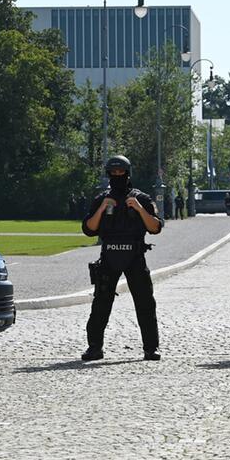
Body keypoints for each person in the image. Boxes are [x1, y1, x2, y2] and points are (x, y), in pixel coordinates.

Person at [81, 155, 163, 362]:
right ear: (108, 174)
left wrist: (138, 208)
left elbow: (155, 227)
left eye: (121, 172)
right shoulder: (101, 199)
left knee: (145, 303)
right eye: (113, 173)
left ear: (128, 173)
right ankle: (94, 348)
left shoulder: (142, 198)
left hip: (135, 256)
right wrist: (102, 208)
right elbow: (89, 230)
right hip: (109, 255)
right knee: (101, 303)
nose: (117, 176)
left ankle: (150, 348)